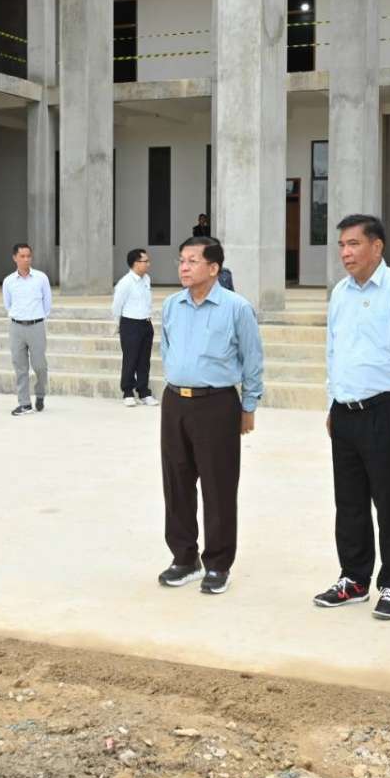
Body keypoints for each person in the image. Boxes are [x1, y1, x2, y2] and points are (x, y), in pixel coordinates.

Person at [315, 214, 390, 621]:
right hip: (345, 411)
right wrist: (332, 403)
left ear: (376, 247)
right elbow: (333, 350)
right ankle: (354, 578)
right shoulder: (340, 293)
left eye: (354, 244)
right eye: (341, 245)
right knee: (348, 502)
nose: (345, 253)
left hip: (387, 409)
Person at [157, 236, 264, 596]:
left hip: (216, 403)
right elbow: (167, 349)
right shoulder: (171, 305)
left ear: (214, 268)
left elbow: (252, 359)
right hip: (175, 401)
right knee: (176, 483)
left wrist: (249, 406)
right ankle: (184, 558)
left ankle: (218, 563)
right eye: (181, 261)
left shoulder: (236, 308)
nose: (184, 267)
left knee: (218, 486)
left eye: (192, 261)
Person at [2, 242, 52, 416]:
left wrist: (38, 317)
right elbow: (8, 304)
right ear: (15, 258)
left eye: (28, 256)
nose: (26, 259)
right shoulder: (8, 281)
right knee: (20, 367)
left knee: (40, 366)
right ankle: (24, 403)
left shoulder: (41, 278)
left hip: (36, 326)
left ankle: (40, 393)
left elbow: (47, 303)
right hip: (16, 328)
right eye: (22, 256)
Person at [112, 248, 157, 408]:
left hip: (146, 323)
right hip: (130, 324)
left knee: (144, 360)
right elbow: (116, 306)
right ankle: (128, 392)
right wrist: (118, 324)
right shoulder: (125, 283)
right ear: (136, 263)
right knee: (130, 359)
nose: (148, 264)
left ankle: (144, 392)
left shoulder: (147, 279)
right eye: (145, 261)